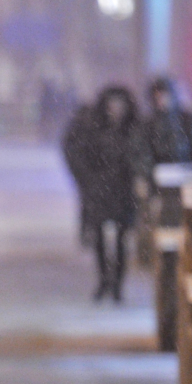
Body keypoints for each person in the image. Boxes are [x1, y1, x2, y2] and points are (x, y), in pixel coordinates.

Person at [62, 85, 140, 302]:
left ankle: (117, 285)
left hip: (123, 191)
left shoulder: (133, 128)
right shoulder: (92, 126)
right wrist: (88, 179)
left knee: (122, 240)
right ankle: (104, 280)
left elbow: (139, 155)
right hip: (100, 190)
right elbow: (78, 152)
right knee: (99, 238)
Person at [140, 77, 192, 173]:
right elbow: (144, 155)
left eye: (164, 96)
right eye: (157, 97)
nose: (161, 101)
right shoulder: (149, 126)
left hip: (191, 176)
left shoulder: (190, 121)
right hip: (160, 179)